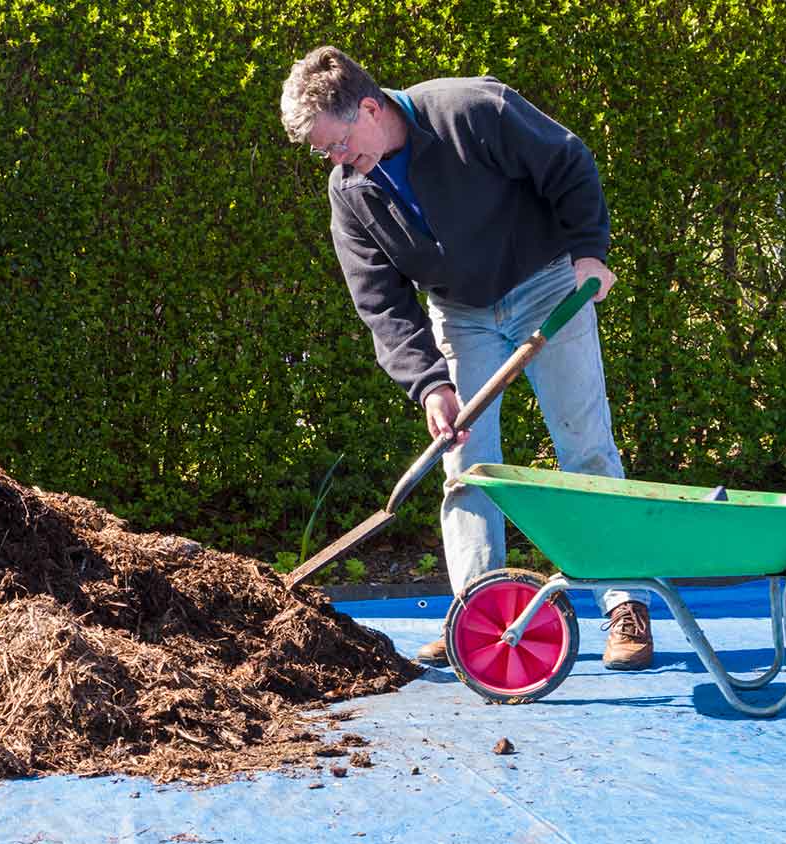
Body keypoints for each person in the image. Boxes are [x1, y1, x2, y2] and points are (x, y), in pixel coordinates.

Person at [279, 46, 652, 670]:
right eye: (325, 154)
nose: (336, 162)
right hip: (460, 312)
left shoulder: (472, 110)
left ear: (369, 108)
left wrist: (589, 252)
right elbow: (381, 302)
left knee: (584, 445)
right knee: (466, 461)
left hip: (545, 286)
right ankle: (481, 617)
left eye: (338, 144)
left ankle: (625, 606)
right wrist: (429, 384)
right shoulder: (350, 191)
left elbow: (567, 162)